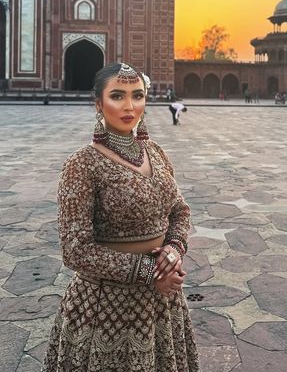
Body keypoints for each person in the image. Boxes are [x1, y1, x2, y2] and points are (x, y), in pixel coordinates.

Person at [42, 63, 200, 372]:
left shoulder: (155, 152)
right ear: (98, 103)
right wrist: (150, 273)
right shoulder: (83, 164)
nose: (130, 106)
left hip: (161, 304)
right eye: (117, 96)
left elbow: (179, 210)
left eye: (137, 95)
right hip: (105, 306)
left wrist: (173, 250)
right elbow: (77, 250)